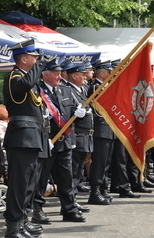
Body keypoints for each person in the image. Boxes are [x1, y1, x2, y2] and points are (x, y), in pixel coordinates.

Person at [2, 39, 53, 238]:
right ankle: (13, 228)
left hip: (33, 136)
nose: (38, 60)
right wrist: (41, 66)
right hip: (21, 137)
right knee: (19, 184)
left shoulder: (28, 79)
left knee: (30, 184)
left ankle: (22, 222)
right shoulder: (14, 76)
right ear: (23, 59)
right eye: (35, 57)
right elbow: (23, 86)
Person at [32, 61, 87, 225]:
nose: (59, 76)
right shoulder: (36, 91)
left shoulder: (66, 90)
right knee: (41, 180)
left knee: (66, 179)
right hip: (47, 142)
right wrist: (43, 137)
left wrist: (79, 114)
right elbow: (35, 118)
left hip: (64, 143)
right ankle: (37, 211)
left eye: (60, 73)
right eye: (56, 73)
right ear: (45, 74)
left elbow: (69, 115)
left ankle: (69, 210)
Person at [61, 61, 94, 211]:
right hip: (77, 134)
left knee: (79, 169)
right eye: (82, 74)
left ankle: (73, 200)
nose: (85, 77)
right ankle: (70, 202)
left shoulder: (81, 91)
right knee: (73, 170)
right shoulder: (69, 90)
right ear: (74, 76)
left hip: (84, 136)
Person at [86, 60, 116, 205]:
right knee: (99, 162)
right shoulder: (95, 88)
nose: (112, 75)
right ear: (103, 73)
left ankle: (103, 188)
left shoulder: (105, 87)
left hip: (108, 129)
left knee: (106, 162)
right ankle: (95, 191)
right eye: (110, 72)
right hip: (100, 128)